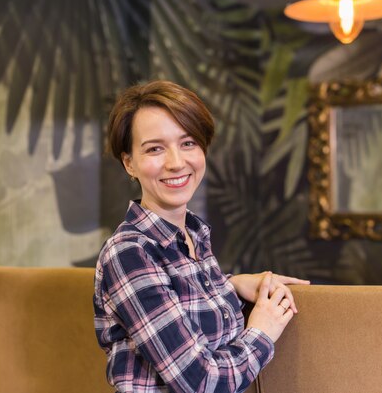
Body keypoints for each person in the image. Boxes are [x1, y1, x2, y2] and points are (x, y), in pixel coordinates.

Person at [94, 80, 309, 393]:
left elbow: (183, 303)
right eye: (155, 148)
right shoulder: (129, 253)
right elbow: (200, 382)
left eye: (188, 143)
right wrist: (262, 330)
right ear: (130, 163)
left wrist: (231, 284)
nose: (176, 162)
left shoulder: (191, 235)